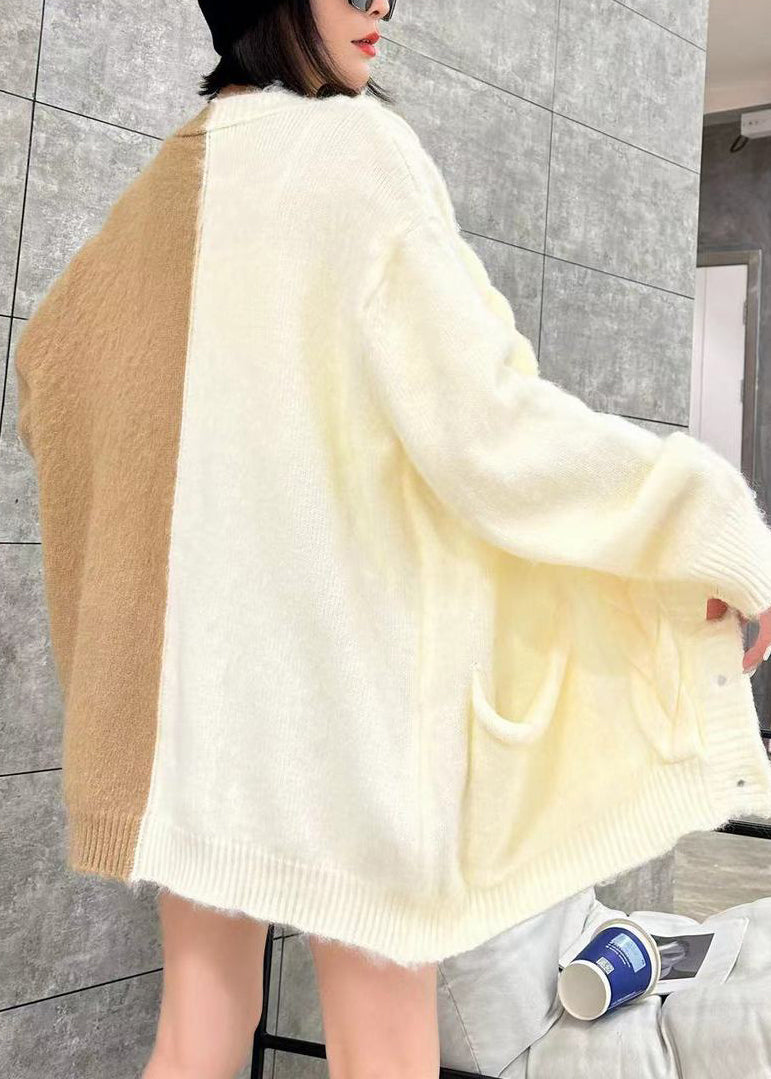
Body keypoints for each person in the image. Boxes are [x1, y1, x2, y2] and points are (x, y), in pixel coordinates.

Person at [13, 2, 771, 1078]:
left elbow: (46, 363)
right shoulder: (353, 152)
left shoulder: (161, 189)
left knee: (197, 1028)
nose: (380, 3)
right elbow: (492, 431)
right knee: (384, 1046)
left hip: (188, 719)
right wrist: (709, 524)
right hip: (342, 718)